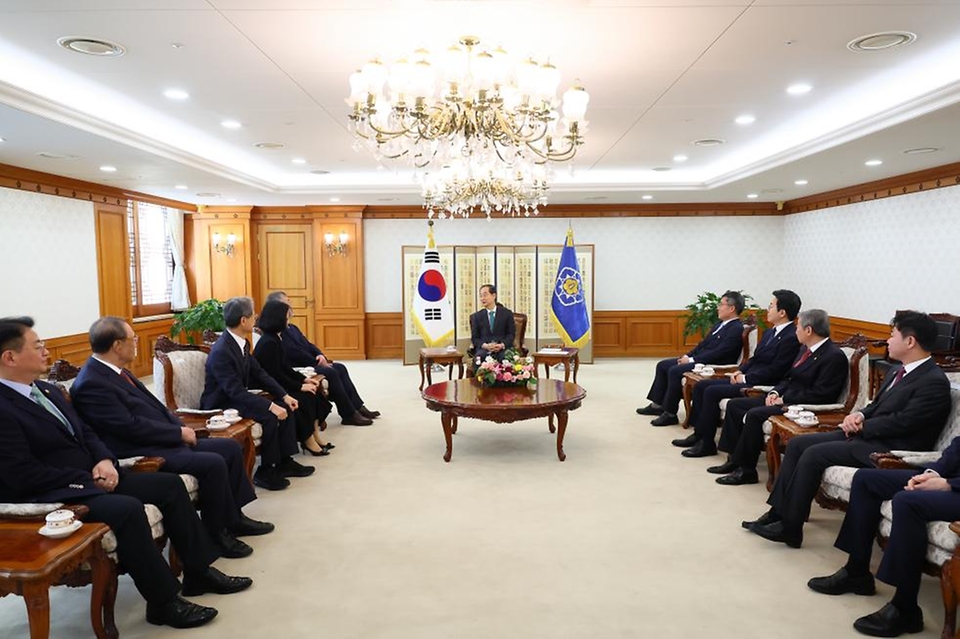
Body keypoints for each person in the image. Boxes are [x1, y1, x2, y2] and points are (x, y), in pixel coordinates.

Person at [0, 316, 252, 630]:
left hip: (93, 474)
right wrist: (86, 479)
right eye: (37, 346)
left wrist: (104, 460)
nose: (46, 351)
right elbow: (20, 474)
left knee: (170, 486)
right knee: (128, 509)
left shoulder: (44, 390)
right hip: (54, 491)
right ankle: (163, 603)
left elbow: (87, 433)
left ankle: (198, 573)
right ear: (9, 357)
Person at [70, 317, 274, 560]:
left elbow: (154, 408)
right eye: (132, 339)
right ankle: (216, 534)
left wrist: (179, 426)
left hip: (159, 438)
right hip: (138, 449)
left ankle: (234, 518)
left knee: (229, 447)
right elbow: (128, 427)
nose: (136, 343)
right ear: (117, 345)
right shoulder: (91, 382)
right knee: (212, 463)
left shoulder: (116, 371)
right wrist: (177, 433)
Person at [745, 310, 952, 548]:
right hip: (868, 435)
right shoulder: (897, 370)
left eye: (892, 335)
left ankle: (791, 528)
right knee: (798, 443)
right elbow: (876, 406)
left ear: (910, 341)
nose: (887, 340)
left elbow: (905, 422)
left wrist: (864, 425)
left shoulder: (933, 381)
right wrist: (859, 414)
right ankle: (778, 513)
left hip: (892, 449)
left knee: (814, 454)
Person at [807, 439, 960, 637]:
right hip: (950, 479)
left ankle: (905, 608)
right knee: (865, 480)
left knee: (907, 502)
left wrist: (948, 485)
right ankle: (857, 573)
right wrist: (931, 474)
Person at [709, 309, 849, 485]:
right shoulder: (804, 350)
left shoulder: (833, 356)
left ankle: (746, 470)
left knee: (754, 414)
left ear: (809, 330)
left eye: (798, 326)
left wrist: (784, 399)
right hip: (784, 397)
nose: (795, 330)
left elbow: (822, 394)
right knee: (736, 405)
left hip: (801, 405)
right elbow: (788, 377)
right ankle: (733, 460)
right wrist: (775, 392)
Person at [200, 297, 314, 491]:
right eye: (253, 315)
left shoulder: (241, 342)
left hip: (237, 398)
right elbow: (234, 391)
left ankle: (284, 461)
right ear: (243, 320)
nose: (256, 318)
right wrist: (270, 406)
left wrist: (284, 395)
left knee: (285, 405)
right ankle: (265, 471)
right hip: (222, 404)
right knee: (270, 416)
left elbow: (260, 373)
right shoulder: (221, 351)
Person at [673, 290, 802, 457]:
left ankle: (707, 444)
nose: (768, 309)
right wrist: (740, 371)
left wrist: (746, 378)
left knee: (711, 391)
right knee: (702, 386)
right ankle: (700, 435)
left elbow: (777, 370)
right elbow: (756, 359)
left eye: (771, 306)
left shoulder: (791, 337)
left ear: (782, 312)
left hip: (760, 383)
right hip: (748, 377)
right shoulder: (771, 332)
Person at [265, 291, 379, 427]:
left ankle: (358, 406)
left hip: (311, 362)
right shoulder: (278, 332)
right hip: (300, 366)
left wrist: (320, 355)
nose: (291, 305)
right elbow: (294, 354)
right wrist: (315, 362)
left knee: (340, 367)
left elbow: (308, 345)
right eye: (288, 302)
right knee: (331, 372)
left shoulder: (292, 327)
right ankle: (348, 414)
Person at [637, 290, 745, 426]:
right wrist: (688, 356)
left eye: (721, 304)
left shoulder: (735, 328)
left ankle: (670, 413)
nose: (718, 307)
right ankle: (657, 405)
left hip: (713, 364)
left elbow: (720, 353)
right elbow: (702, 345)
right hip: (700, 359)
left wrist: (692, 360)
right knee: (663, 365)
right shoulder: (720, 325)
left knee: (675, 370)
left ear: (731, 308)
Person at [255, 300, 334, 456]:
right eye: (286, 318)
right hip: (270, 386)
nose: (288, 321)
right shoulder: (268, 343)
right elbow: (276, 375)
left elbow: (286, 369)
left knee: (314, 393)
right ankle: (307, 439)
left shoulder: (276, 338)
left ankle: (314, 435)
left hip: (279, 381)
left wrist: (304, 380)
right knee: (304, 398)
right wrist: (299, 387)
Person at [469, 284, 516, 363]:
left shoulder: (507, 314)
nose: (482, 298)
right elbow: (475, 338)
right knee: (479, 359)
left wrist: (502, 345)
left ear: (494, 295)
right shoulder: (476, 316)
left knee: (506, 359)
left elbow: (511, 334)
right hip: (484, 349)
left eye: (485, 295)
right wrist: (485, 346)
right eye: (480, 296)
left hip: (502, 348)